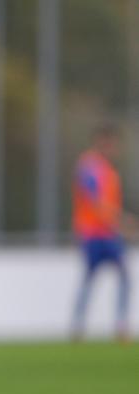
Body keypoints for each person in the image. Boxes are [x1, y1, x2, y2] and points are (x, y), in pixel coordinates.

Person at [71, 124, 131, 342]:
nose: (112, 148)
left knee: (124, 276)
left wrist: (117, 223)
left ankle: (121, 325)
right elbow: (94, 200)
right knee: (89, 278)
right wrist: (122, 221)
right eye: (109, 143)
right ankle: (78, 326)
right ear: (100, 142)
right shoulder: (89, 166)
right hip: (92, 233)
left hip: (109, 233)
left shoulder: (108, 170)